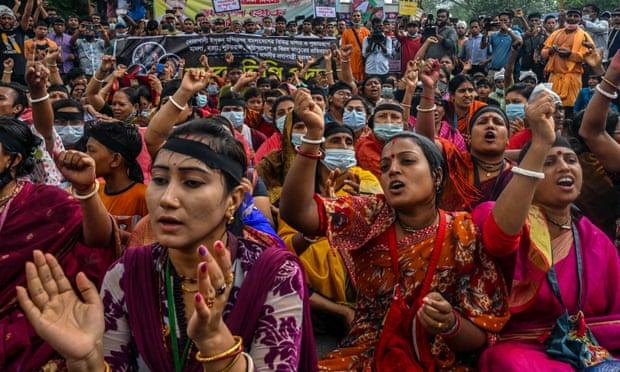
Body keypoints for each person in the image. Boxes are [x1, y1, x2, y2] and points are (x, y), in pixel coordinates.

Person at [17, 119, 317, 371]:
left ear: (234, 199)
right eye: (159, 180)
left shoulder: (274, 274)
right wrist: (88, 360)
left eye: (192, 183)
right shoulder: (126, 273)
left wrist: (215, 341)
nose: (167, 198)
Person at [279, 89, 509, 370]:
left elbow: (482, 335)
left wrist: (449, 324)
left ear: (436, 176)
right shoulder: (370, 212)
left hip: (437, 358)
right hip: (366, 353)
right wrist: (314, 135)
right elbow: (297, 212)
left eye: (407, 161)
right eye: (385, 166)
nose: (393, 171)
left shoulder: (464, 232)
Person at [476, 92, 620, 371]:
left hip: (587, 347)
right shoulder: (498, 214)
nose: (564, 166)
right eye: (549, 162)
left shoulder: (594, 238)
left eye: (570, 159)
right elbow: (498, 240)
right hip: (523, 349)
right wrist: (541, 141)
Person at [0, 118, 119, 371]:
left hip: (30, 331)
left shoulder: (46, 200)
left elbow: (98, 242)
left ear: (13, 159)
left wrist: (86, 189)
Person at [417, 62, 513, 211]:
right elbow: (424, 142)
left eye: (498, 122)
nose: (490, 125)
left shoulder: (517, 175)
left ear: (508, 138)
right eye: (482, 122)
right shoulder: (456, 161)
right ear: (469, 137)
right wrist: (428, 89)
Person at [84, 121, 147, 235]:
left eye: (91, 150)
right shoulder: (93, 193)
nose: (85, 156)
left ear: (115, 159)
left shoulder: (144, 196)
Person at [541, 9, 595, 114]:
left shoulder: (584, 35)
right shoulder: (556, 33)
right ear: (566, 17)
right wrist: (551, 51)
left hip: (573, 77)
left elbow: (586, 56)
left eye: (576, 16)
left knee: (571, 108)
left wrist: (569, 54)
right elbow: (543, 52)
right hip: (555, 76)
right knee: (553, 108)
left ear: (580, 19)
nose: (572, 18)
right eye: (570, 15)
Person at [340, 11, 370, 81]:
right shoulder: (346, 32)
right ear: (351, 18)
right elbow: (342, 48)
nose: (356, 17)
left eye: (358, 16)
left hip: (364, 63)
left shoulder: (366, 31)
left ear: (361, 18)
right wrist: (350, 46)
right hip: (351, 63)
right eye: (354, 16)